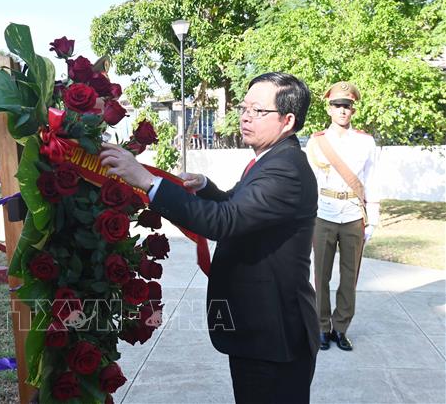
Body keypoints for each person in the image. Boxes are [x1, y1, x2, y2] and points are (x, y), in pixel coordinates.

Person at [101, 72, 319, 403]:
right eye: (244, 107)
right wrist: (207, 187)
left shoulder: (285, 169)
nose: (245, 116)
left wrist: (146, 181)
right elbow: (240, 208)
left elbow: (224, 222)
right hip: (263, 327)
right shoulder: (272, 160)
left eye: (258, 111)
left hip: (274, 336)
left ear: (287, 120)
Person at [306, 81, 379, 352]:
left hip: (352, 215)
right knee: (321, 275)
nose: (342, 110)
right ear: (329, 108)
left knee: (350, 277)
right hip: (323, 214)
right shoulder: (316, 142)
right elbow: (309, 182)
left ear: (353, 110)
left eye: (347, 106)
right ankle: (322, 327)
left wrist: (373, 217)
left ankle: (341, 328)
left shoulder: (365, 142)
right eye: (337, 105)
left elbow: (372, 180)